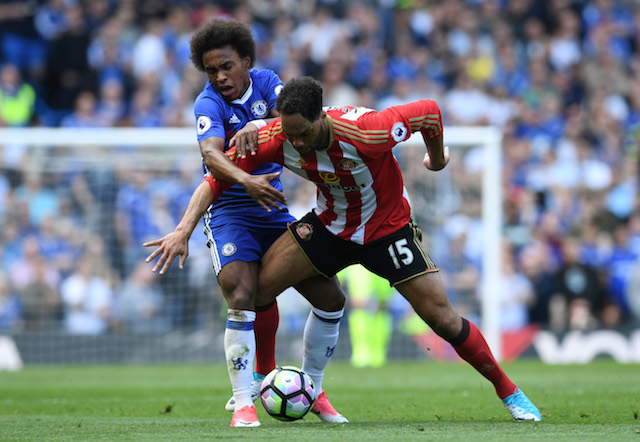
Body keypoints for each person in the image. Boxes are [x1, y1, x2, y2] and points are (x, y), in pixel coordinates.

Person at [148, 76, 542, 422]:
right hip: (329, 228)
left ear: (321, 117)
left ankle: (509, 391)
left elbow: (429, 112)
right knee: (256, 291)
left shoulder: (369, 131)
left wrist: (436, 160)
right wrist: (183, 229)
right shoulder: (277, 137)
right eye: (290, 134)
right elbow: (214, 177)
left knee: (443, 320)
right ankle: (262, 377)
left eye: (303, 133)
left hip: (388, 231)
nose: (297, 143)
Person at [145, 20, 347, 427]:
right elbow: (212, 157)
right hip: (229, 213)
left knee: (330, 297)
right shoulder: (208, 104)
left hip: (273, 210)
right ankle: (243, 402)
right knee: (241, 290)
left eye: (226, 67)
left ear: (246, 62)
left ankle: (315, 389)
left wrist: (260, 125)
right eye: (211, 70)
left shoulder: (269, 81)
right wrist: (244, 181)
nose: (219, 77)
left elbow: (290, 119)